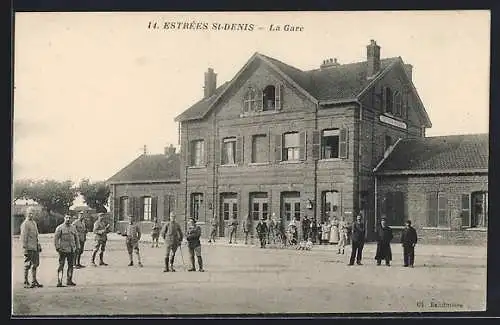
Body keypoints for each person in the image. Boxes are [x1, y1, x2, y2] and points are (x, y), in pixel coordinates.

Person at [20, 208, 43, 288]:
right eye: (29, 213)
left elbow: (36, 236)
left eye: (32, 213)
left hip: (35, 247)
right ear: (26, 214)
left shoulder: (34, 223)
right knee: (27, 265)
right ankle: (26, 281)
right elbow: (23, 237)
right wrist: (25, 248)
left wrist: (38, 245)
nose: (31, 215)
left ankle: (34, 281)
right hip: (29, 248)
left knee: (35, 264)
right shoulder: (25, 224)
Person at [54, 215, 80, 287]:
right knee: (61, 266)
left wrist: (77, 247)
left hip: (71, 250)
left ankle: (69, 280)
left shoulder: (73, 228)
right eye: (66, 218)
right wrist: (57, 248)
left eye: (69, 218)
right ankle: (59, 282)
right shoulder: (60, 228)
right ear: (64, 219)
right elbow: (56, 239)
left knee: (71, 266)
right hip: (63, 250)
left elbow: (76, 238)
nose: (68, 219)